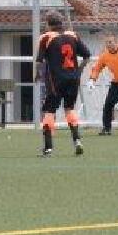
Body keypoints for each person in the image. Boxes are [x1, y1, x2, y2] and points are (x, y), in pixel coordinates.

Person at [35, 11, 90, 156]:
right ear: (61, 23)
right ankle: (77, 141)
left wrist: (38, 74)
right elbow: (87, 55)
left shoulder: (46, 37)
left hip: (56, 79)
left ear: (48, 24)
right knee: (69, 108)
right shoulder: (73, 35)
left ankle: (48, 148)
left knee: (49, 110)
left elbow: (39, 61)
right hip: (73, 78)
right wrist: (78, 71)